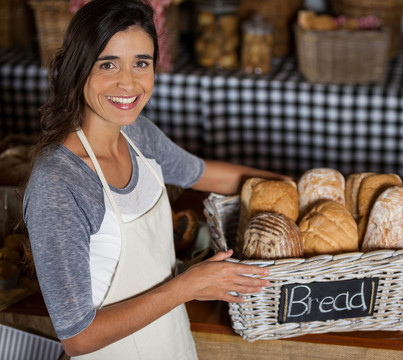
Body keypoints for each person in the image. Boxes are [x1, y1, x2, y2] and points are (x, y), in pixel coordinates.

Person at [22, 0, 291, 358]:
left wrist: (290, 187)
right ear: (77, 68)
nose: (128, 82)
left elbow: (203, 173)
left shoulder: (137, 135)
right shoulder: (58, 182)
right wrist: (187, 286)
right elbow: (78, 337)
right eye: (108, 64)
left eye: (141, 63)